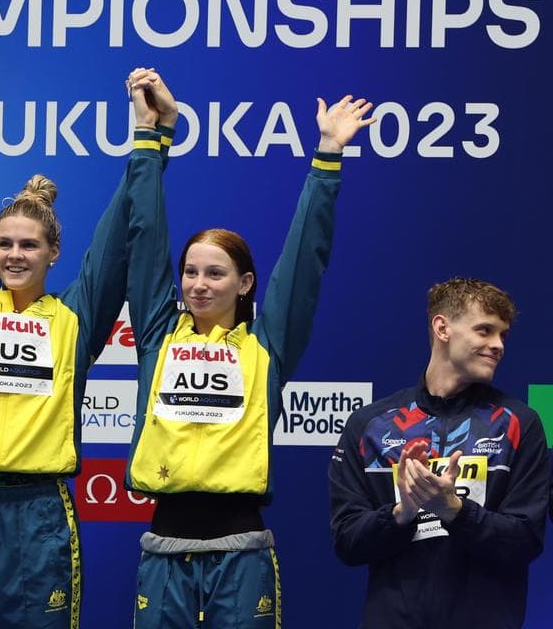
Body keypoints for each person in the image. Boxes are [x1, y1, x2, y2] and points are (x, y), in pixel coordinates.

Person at [124, 68, 375, 627]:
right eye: (189, 272)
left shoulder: (266, 344)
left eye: (215, 273)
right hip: (162, 544)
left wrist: (327, 157)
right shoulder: (159, 335)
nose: (198, 284)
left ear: (244, 283)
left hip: (241, 550)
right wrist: (147, 136)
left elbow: (305, 257)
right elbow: (143, 234)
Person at [0, 38, 160, 626]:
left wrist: (149, 138)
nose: (13, 254)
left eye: (28, 244)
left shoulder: (74, 317)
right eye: (4, 243)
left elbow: (120, 232)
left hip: (36, 511)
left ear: (54, 252)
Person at [328, 278, 548, 628]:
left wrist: (455, 511)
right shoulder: (371, 425)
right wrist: (403, 511)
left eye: (503, 335)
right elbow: (348, 543)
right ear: (442, 328)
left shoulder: (519, 423)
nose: (498, 345)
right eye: (485, 331)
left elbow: (525, 541)